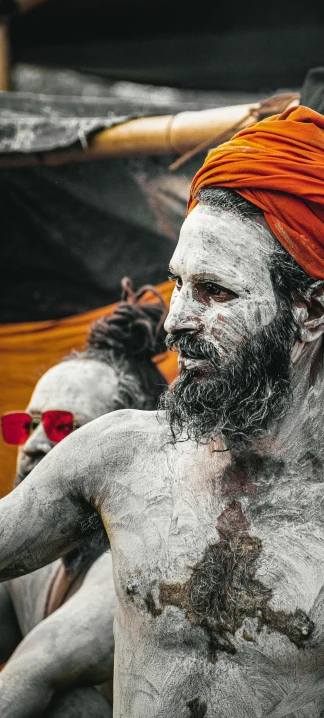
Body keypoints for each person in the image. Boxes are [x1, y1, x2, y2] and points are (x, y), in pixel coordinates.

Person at [0, 107, 324, 717]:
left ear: (310, 311)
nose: (176, 320)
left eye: (214, 291)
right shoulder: (114, 456)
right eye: (178, 282)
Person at [0, 280, 167, 718]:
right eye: (26, 425)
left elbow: (24, 679)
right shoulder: (28, 553)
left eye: (61, 426)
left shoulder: (138, 564)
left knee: (68, 705)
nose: (34, 443)